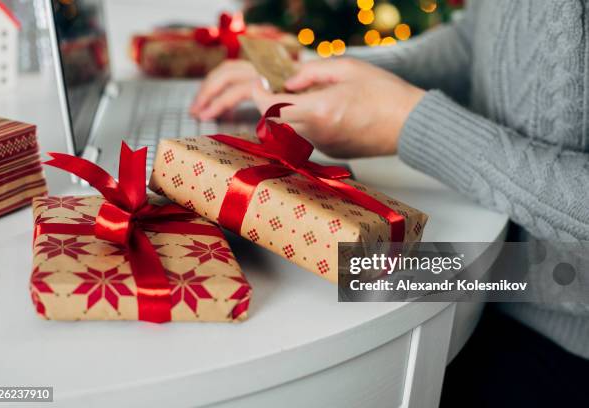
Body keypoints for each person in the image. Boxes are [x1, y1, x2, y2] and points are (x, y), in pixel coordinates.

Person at [191, 0, 589, 406]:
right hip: (500, 268)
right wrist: (304, 74)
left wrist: (412, 124)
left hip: (558, 327)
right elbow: (473, 42)